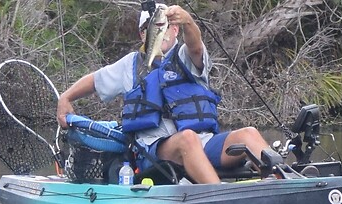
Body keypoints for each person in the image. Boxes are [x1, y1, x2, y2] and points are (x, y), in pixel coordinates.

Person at [55, 1, 272, 184]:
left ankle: (286, 186)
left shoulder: (186, 55)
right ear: (143, 34)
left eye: (165, 26)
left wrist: (188, 21)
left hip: (203, 143)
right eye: (145, 28)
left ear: (175, 29)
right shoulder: (131, 64)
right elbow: (95, 80)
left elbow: (195, 46)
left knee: (249, 134)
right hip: (153, 150)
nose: (159, 31)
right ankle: (222, 200)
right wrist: (66, 97)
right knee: (187, 139)